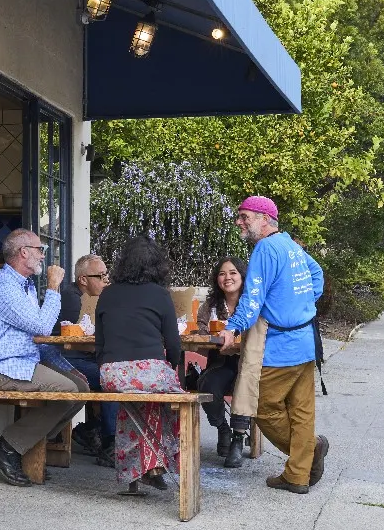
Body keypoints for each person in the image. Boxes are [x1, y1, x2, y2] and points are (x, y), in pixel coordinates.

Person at [218, 196, 328, 495]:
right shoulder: (291, 245)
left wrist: (231, 327)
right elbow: (317, 275)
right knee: (302, 412)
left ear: (264, 219)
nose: (240, 222)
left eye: (245, 217)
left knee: (262, 407)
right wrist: (301, 303)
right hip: (306, 343)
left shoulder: (265, 249)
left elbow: (252, 300)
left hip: (280, 349)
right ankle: (296, 475)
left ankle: (309, 451)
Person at [0, 229, 89, 487]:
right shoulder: (5, 287)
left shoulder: (22, 287)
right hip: (0, 368)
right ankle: (6, 448)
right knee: (68, 391)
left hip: (22, 363)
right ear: (23, 252)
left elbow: (38, 341)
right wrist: (53, 288)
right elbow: (43, 328)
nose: (42, 256)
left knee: (80, 387)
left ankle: (25, 448)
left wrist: (68, 367)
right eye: (39, 250)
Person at [95, 237, 183, 492]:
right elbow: (174, 345)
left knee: (132, 407)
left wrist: (108, 367)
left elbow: (99, 343)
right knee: (165, 402)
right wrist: (171, 368)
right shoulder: (160, 295)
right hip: (151, 373)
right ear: (157, 265)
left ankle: (138, 470)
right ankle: (156, 463)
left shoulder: (107, 293)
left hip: (112, 375)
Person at [196, 256, 267, 468]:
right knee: (206, 385)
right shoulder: (209, 306)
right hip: (220, 362)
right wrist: (212, 338)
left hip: (248, 362)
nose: (227, 277)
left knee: (245, 383)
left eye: (233, 273)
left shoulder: (253, 304)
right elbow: (200, 335)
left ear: (243, 277)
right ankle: (221, 428)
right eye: (222, 273)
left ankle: (238, 439)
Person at [58, 255, 117, 465]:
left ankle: (89, 430)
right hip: (64, 360)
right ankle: (110, 442)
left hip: (78, 357)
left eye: (106, 275)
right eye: (101, 276)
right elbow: (70, 339)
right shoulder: (73, 298)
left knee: (108, 373)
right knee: (110, 379)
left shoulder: (84, 297)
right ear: (83, 279)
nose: (106, 281)